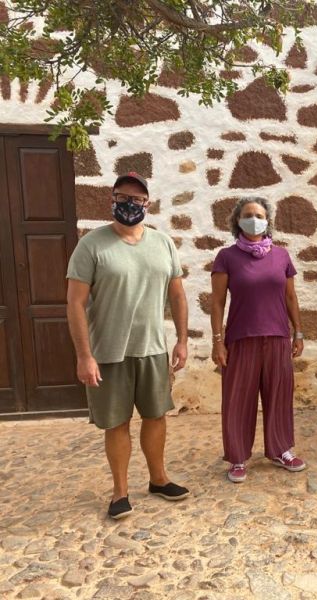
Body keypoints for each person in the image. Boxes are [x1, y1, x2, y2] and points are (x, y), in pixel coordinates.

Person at [66, 172, 189, 520]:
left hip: (152, 348)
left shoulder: (162, 242)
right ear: (112, 199)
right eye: (123, 197)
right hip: (108, 352)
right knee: (116, 423)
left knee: (156, 416)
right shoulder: (91, 245)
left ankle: (159, 479)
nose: (129, 205)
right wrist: (84, 356)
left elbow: (176, 294)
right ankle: (120, 492)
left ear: (147, 204)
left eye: (137, 199)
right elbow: (75, 303)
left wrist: (180, 340)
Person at [210, 197, 306, 483]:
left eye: (260, 214)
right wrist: (217, 340)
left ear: (268, 220)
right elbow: (216, 303)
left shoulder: (281, 256)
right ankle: (238, 457)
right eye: (248, 214)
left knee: (279, 395)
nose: (254, 219)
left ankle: (280, 449)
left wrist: (297, 331)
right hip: (240, 338)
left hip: (277, 336)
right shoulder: (226, 257)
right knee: (238, 399)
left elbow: (290, 297)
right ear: (237, 221)